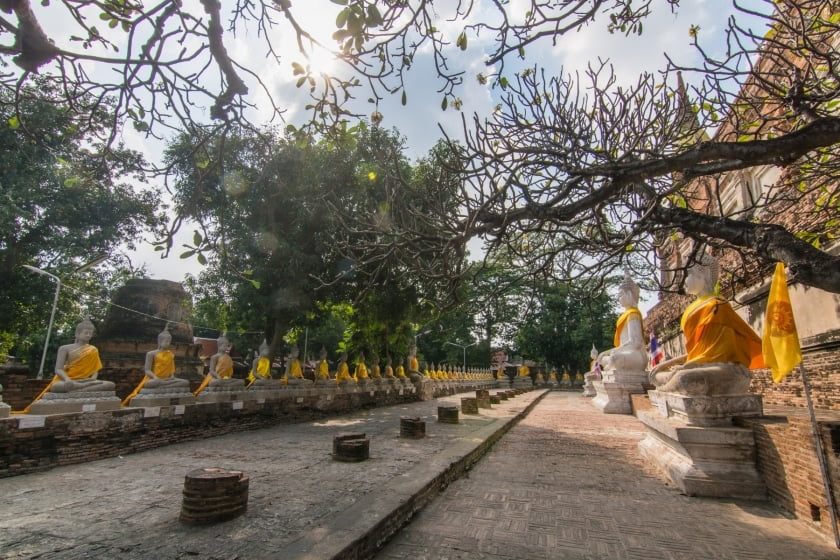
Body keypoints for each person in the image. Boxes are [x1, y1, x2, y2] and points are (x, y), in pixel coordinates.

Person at [650, 253, 765, 395]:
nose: (684, 280)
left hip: (726, 369)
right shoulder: (696, 308)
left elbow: (721, 352)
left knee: (684, 378)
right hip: (701, 365)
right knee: (657, 375)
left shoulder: (717, 306)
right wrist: (666, 364)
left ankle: (665, 390)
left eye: (689, 275)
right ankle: (669, 386)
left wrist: (688, 366)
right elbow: (698, 351)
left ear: (703, 277)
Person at [18, 317, 114, 413]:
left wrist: (93, 379)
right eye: (86, 333)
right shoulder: (65, 348)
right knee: (56, 387)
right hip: (68, 379)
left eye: (90, 333)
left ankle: (77, 389)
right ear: (77, 334)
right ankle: (78, 388)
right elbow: (58, 369)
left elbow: (95, 369)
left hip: (87, 380)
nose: (88, 335)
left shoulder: (93, 349)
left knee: (110, 385)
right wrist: (67, 379)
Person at [123, 326, 189, 404]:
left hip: (166, 380)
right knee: (150, 384)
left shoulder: (170, 354)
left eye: (169, 341)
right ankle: (161, 387)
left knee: (185, 382)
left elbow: (171, 371)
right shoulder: (151, 354)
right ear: (160, 342)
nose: (168, 343)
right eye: (166, 341)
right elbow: (147, 370)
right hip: (153, 379)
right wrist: (155, 377)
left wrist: (171, 377)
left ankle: (162, 387)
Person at [598, 271, 647, 372]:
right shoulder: (625, 316)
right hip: (625, 352)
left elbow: (635, 342)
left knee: (614, 358)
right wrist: (607, 352)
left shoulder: (633, 314)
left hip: (635, 355)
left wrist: (613, 352)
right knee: (602, 358)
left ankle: (611, 366)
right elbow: (622, 345)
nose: (618, 298)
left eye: (620, 295)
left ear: (629, 294)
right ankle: (611, 365)